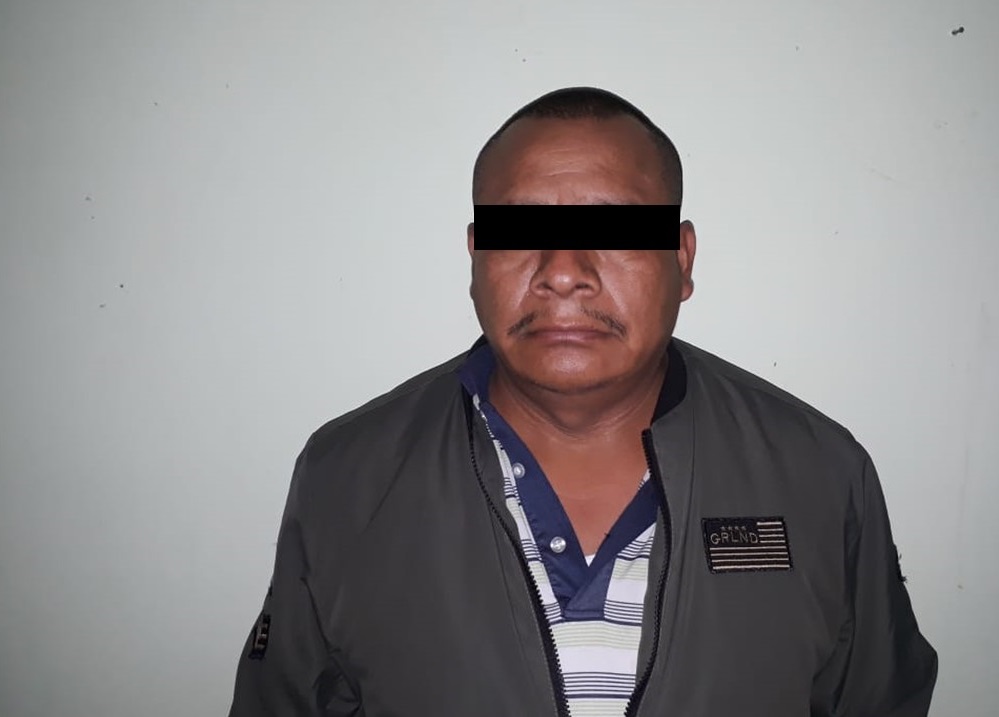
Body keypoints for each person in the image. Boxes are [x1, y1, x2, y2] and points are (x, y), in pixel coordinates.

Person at [227, 86, 938, 717]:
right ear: (475, 257)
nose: (563, 272)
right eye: (520, 231)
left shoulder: (819, 474)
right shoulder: (347, 476)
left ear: (682, 259)